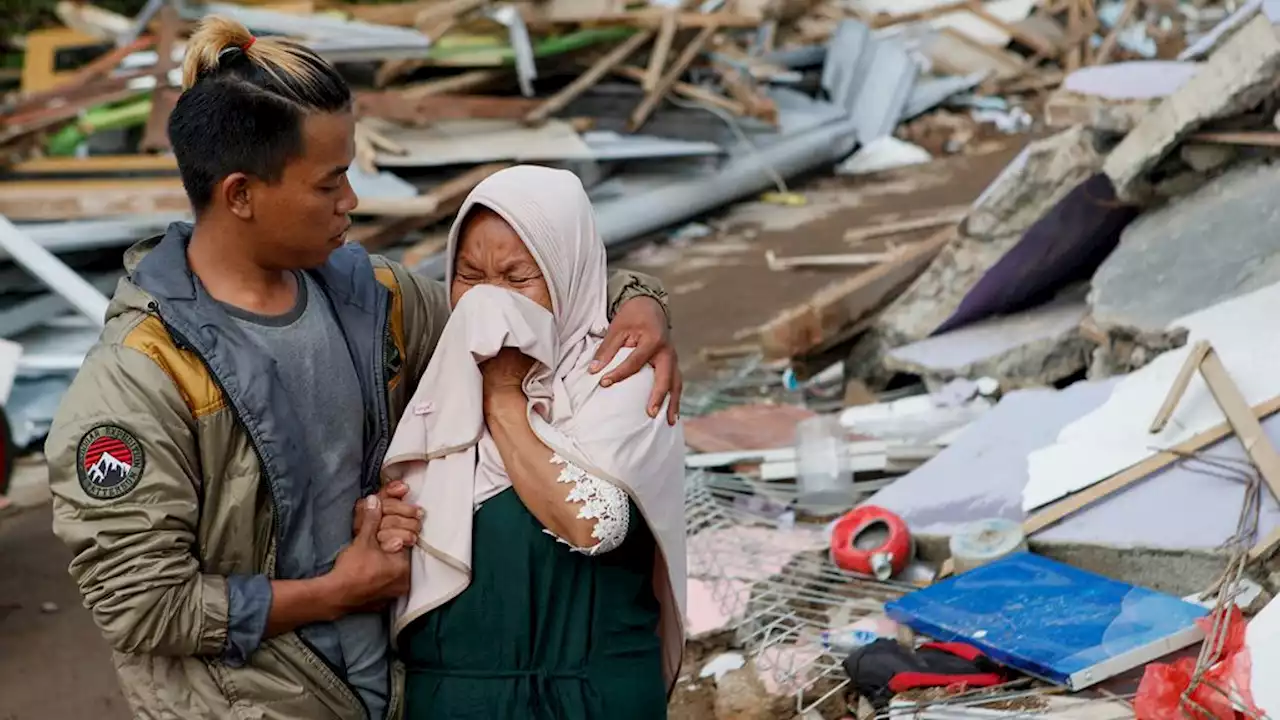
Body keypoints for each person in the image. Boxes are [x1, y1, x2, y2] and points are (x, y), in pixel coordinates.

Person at [45, 16, 681, 720]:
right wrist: (336, 591)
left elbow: (524, 296)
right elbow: (143, 607)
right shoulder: (140, 381)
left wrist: (639, 303)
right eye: (330, 183)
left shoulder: (375, 303)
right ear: (240, 195)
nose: (352, 201)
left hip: (386, 694)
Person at [377, 165, 687, 720]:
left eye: (518, 280)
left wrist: (502, 399)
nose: (489, 305)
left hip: (588, 700)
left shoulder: (622, 376)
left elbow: (594, 523)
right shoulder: (436, 378)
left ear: (567, 278)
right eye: (470, 277)